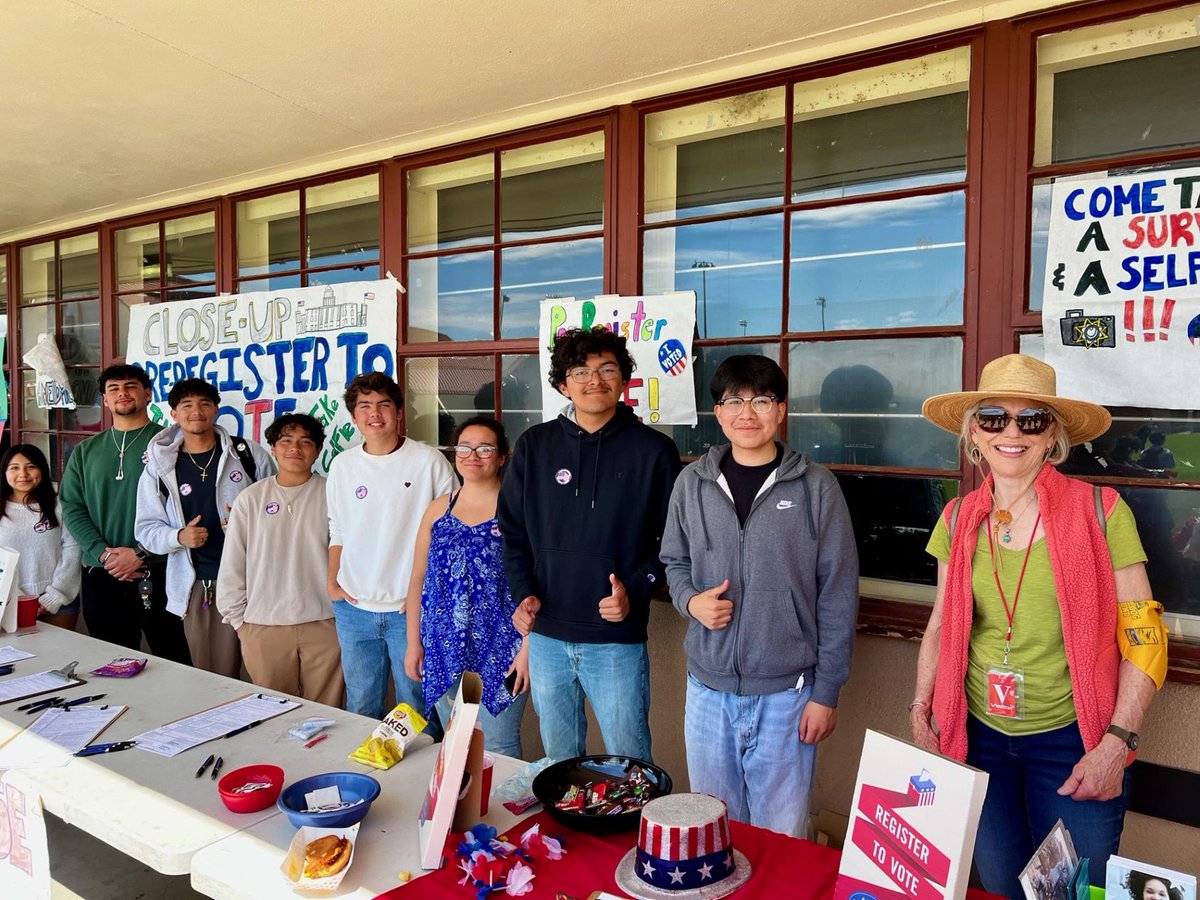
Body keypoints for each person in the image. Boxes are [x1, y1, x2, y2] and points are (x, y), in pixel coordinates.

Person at [911, 354, 1167, 897]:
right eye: (992, 418)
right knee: (1003, 884)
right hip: (978, 737)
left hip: (1074, 741)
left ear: (1052, 436)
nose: (1011, 432)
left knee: (1074, 890)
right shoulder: (957, 518)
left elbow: (1145, 638)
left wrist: (1116, 743)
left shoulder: (1101, 510)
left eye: (1030, 420)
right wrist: (920, 708)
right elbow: (939, 626)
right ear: (972, 433)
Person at [660, 355, 859, 837]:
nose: (747, 412)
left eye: (761, 400)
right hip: (708, 692)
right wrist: (690, 602)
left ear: (781, 410)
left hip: (788, 695)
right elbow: (674, 561)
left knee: (782, 833)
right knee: (714, 827)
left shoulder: (816, 487)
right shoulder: (692, 483)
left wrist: (826, 692)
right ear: (718, 412)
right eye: (733, 401)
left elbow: (838, 591)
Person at [499, 327, 681, 761]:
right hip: (546, 637)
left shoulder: (654, 451)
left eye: (607, 369)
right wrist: (523, 592)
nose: (594, 380)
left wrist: (636, 589)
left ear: (624, 380)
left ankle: (634, 831)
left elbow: (676, 542)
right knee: (560, 760)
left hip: (616, 639)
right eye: (580, 371)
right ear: (563, 383)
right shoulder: (535, 446)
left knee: (630, 759)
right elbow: (513, 531)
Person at [326, 372, 456, 724]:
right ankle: (365, 776)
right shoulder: (342, 466)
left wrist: (427, 595)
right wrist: (333, 581)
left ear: (399, 413)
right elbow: (337, 528)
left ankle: (422, 779)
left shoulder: (429, 462)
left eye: (384, 405)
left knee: (416, 706)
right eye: (364, 406)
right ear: (354, 417)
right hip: (353, 609)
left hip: (408, 611)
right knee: (362, 704)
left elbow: (451, 534)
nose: (375, 413)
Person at [404, 416, 529, 757]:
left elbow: (537, 585)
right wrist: (413, 642)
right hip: (443, 645)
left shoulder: (519, 510)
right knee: (456, 740)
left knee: (499, 745)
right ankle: (462, 810)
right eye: (464, 447)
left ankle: (501, 811)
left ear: (503, 456)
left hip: (503, 647)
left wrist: (527, 650)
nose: (473, 455)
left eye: (485, 448)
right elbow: (418, 579)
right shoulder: (437, 509)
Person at [135, 378, 276, 677]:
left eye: (204, 404)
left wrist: (247, 526)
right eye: (186, 405)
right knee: (213, 675)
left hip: (254, 583)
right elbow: (146, 529)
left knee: (264, 674)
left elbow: (276, 510)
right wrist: (179, 537)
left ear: (216, 409)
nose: (195, 411)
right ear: (173, 414)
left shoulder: (247, 455)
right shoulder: (160, 466)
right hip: (198, 587)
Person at [60, 364, 191, 663]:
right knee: (112, 663)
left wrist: (140, 552)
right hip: (100, 572)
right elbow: (72, 506)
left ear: (147, 394)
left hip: (158, 569)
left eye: (131, 386)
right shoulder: (85, 450)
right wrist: (103, 554)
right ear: (104, 400)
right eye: (113, 389)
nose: (122, 393)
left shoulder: (170, 444)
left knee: (175, 659)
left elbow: (184, 507)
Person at [217, 414, 344, 706]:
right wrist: (240, 622)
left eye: (305, 442)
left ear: (318, 450)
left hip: (325, 622)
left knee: (328, 713)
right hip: (263, 625)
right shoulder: (250, 498)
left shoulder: (334, 494)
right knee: (271, 712)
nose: (295, 449)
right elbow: (234, 562)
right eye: (286, 441)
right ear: (272, 448)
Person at [0, 444, 81, 631]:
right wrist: (21, 598)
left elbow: (72, 549)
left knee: (61, 656)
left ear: (42, 470)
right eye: (14, 468)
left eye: (31, 466)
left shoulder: (59, 505)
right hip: (9, 601)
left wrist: (53, 596)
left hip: (60, 602)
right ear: (4, 472)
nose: (23, 474)